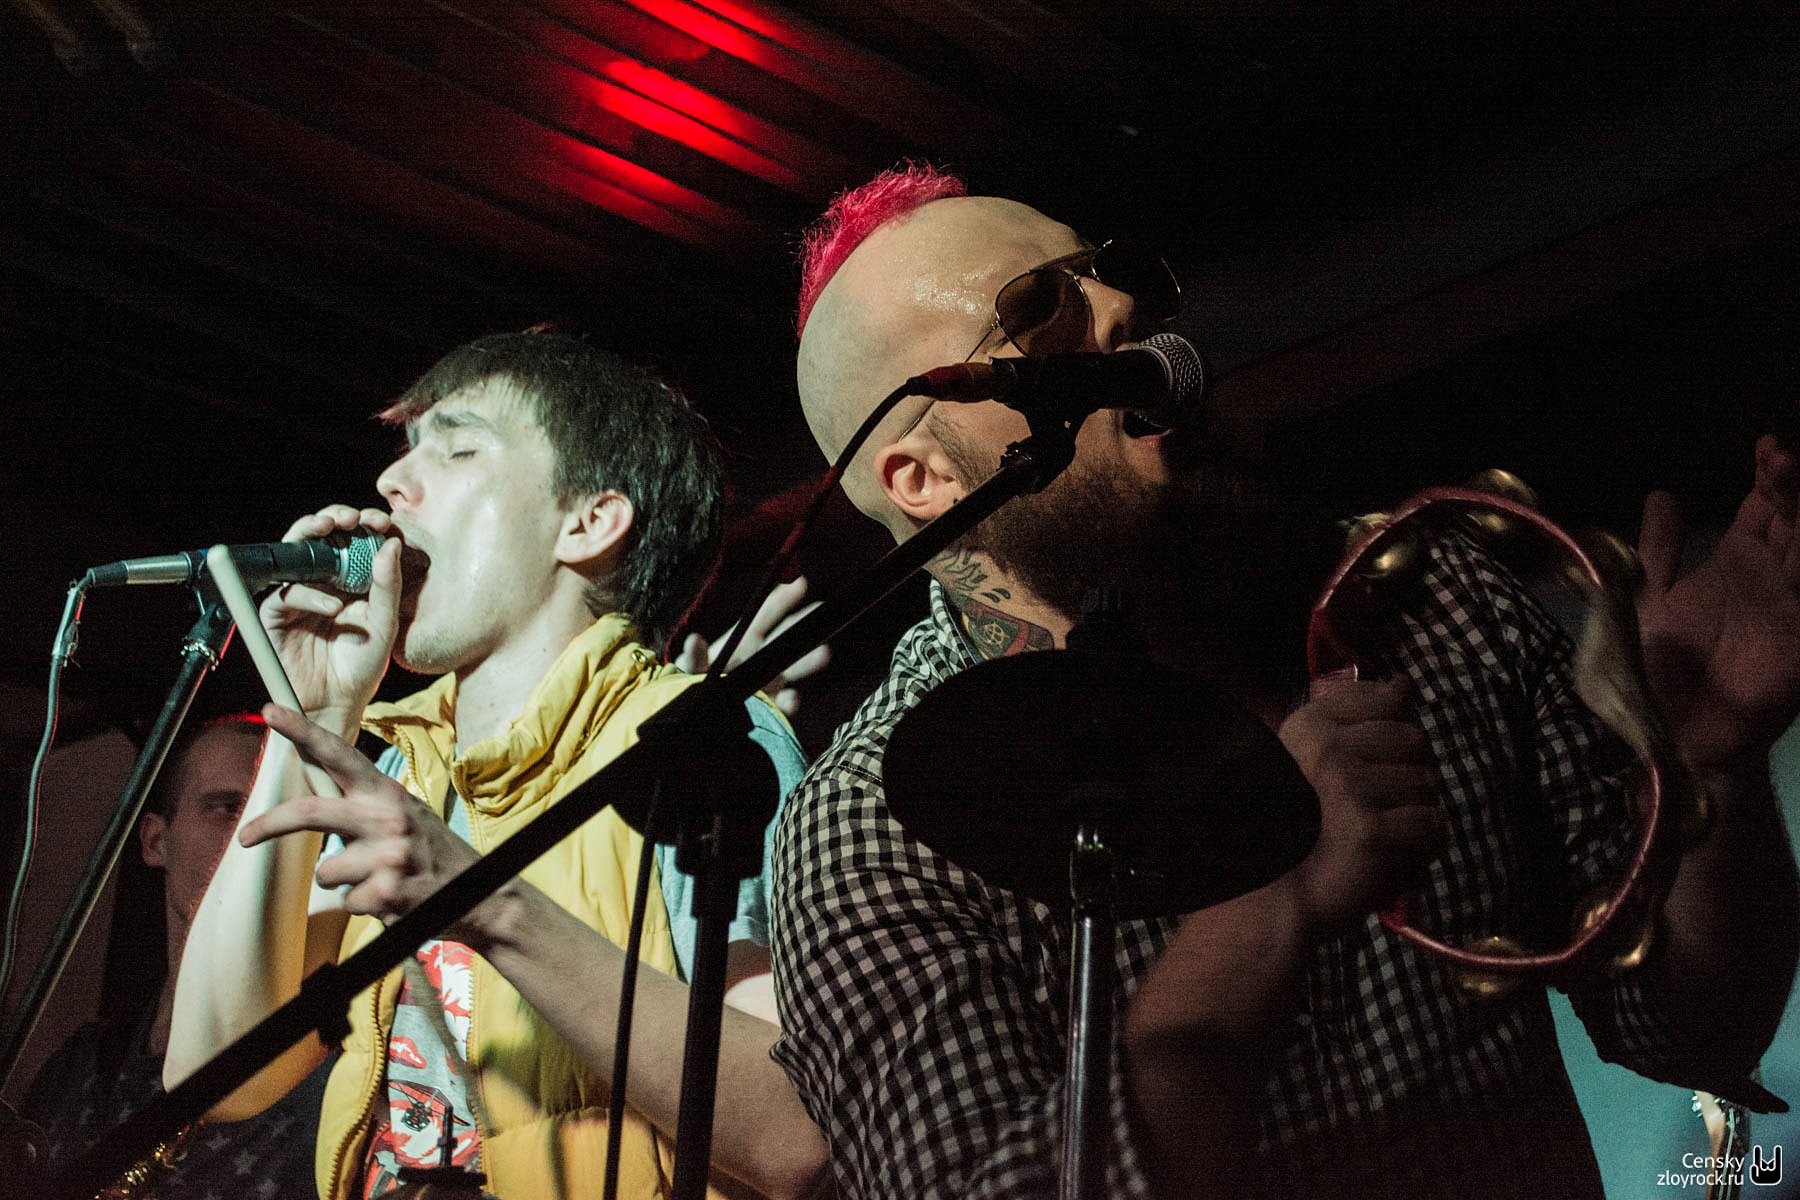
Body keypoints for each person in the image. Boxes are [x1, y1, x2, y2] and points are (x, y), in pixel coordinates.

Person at [770, 163, 1800, 1199]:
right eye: (1038, 311)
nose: (1123, 306)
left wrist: (1715, 770)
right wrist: (1274, 892)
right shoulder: (868, 826)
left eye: (1109, 274)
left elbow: (1689, 1028)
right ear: (926, 477)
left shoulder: (1428, 594)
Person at [164, 331, 831, 1200]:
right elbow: (215, 1076)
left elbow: (792, 1132)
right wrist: (316, 715)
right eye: (406, 451)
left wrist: (481, 901)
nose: (392, 483)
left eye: (458, 449)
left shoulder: (695, 740)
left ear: (589, 521)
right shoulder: (411, 769)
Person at [22, 715, 332, 1198]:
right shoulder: (81, 1068)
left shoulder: (331, 1073)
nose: (258, 832)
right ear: (155, 841)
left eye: (282, 811)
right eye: (228, 808)